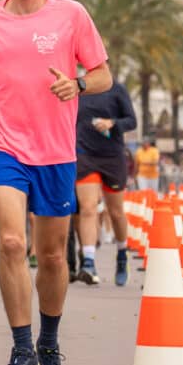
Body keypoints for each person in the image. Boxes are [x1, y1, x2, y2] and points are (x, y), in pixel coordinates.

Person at [0, 0, 111, 365]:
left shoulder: (72, 14)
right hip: (3, 145)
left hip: (56, 152)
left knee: (51, 256)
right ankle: (21, 347)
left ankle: (49, 343)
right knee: (11, 243)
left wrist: (79, 85)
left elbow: (103, 74)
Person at [73, 79, 137, 287]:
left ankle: (122, 254)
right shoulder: (77, 89)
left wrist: (112, 123)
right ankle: (89, 262)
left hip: (112, 157)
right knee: (88, 208)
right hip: (84, 155)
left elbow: (131, 120)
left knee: (116, 212)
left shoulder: (116, 89)